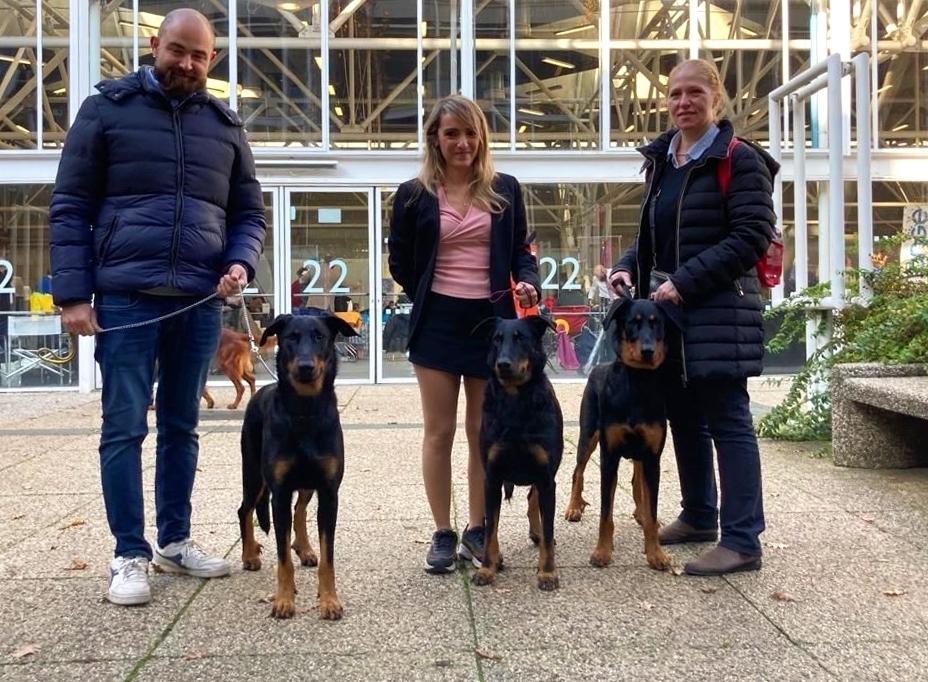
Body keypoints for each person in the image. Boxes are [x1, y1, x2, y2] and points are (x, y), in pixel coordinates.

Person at [48, 8, 266, 606]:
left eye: (198, 56)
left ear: (212, 60)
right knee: (123, 426)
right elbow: (70, 204)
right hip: (124, 297)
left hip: (199, 300)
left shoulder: (225, 125)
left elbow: (249, 212)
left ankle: (174, 541)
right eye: (177, 51)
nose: (186, 63)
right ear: (155, 45)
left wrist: (241, 262)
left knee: (181, 425)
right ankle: (128, 554)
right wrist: (72, 293)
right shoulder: (106, 109)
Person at [609, 58, 778, 576]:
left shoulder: (738, 159)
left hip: (718, 309)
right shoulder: (664, 160)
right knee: (683, 416)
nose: (683, 102)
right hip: (669, 316)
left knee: (727, 419)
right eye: (675, 94)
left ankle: (743, 539)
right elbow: (652, 236)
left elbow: (750, 236)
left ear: (716, 99)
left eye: (694, 93)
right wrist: (625, 268)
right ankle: (701, 514)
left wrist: (682, 282)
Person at [388, 94, 541, 574]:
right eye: (452, 133)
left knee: (481, 432)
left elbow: (522, 251)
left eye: (471, 133)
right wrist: (435, 294)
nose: (463, 142)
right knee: (439, 431)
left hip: (493, 327)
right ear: (435, 137)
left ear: (482, 138)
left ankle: (479, 528)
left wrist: (528, 282)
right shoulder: (413, 195)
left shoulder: (505, 189)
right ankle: (442, 532)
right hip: (437, 322)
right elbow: (401, 261)